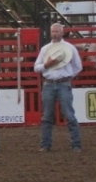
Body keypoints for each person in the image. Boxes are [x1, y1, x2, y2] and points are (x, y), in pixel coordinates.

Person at [34, 23, 83, 152]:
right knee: (47, 116)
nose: (55, 34)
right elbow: (36, 67)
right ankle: (46, 144)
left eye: (57, 31)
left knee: (69, 115)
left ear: (62, 33)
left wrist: (67, 77)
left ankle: (76, 144)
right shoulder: (45, 49)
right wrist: (46, 65)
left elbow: (78, 66)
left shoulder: (70, 48)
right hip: (49, 83)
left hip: (62, 83)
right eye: (53, 32)